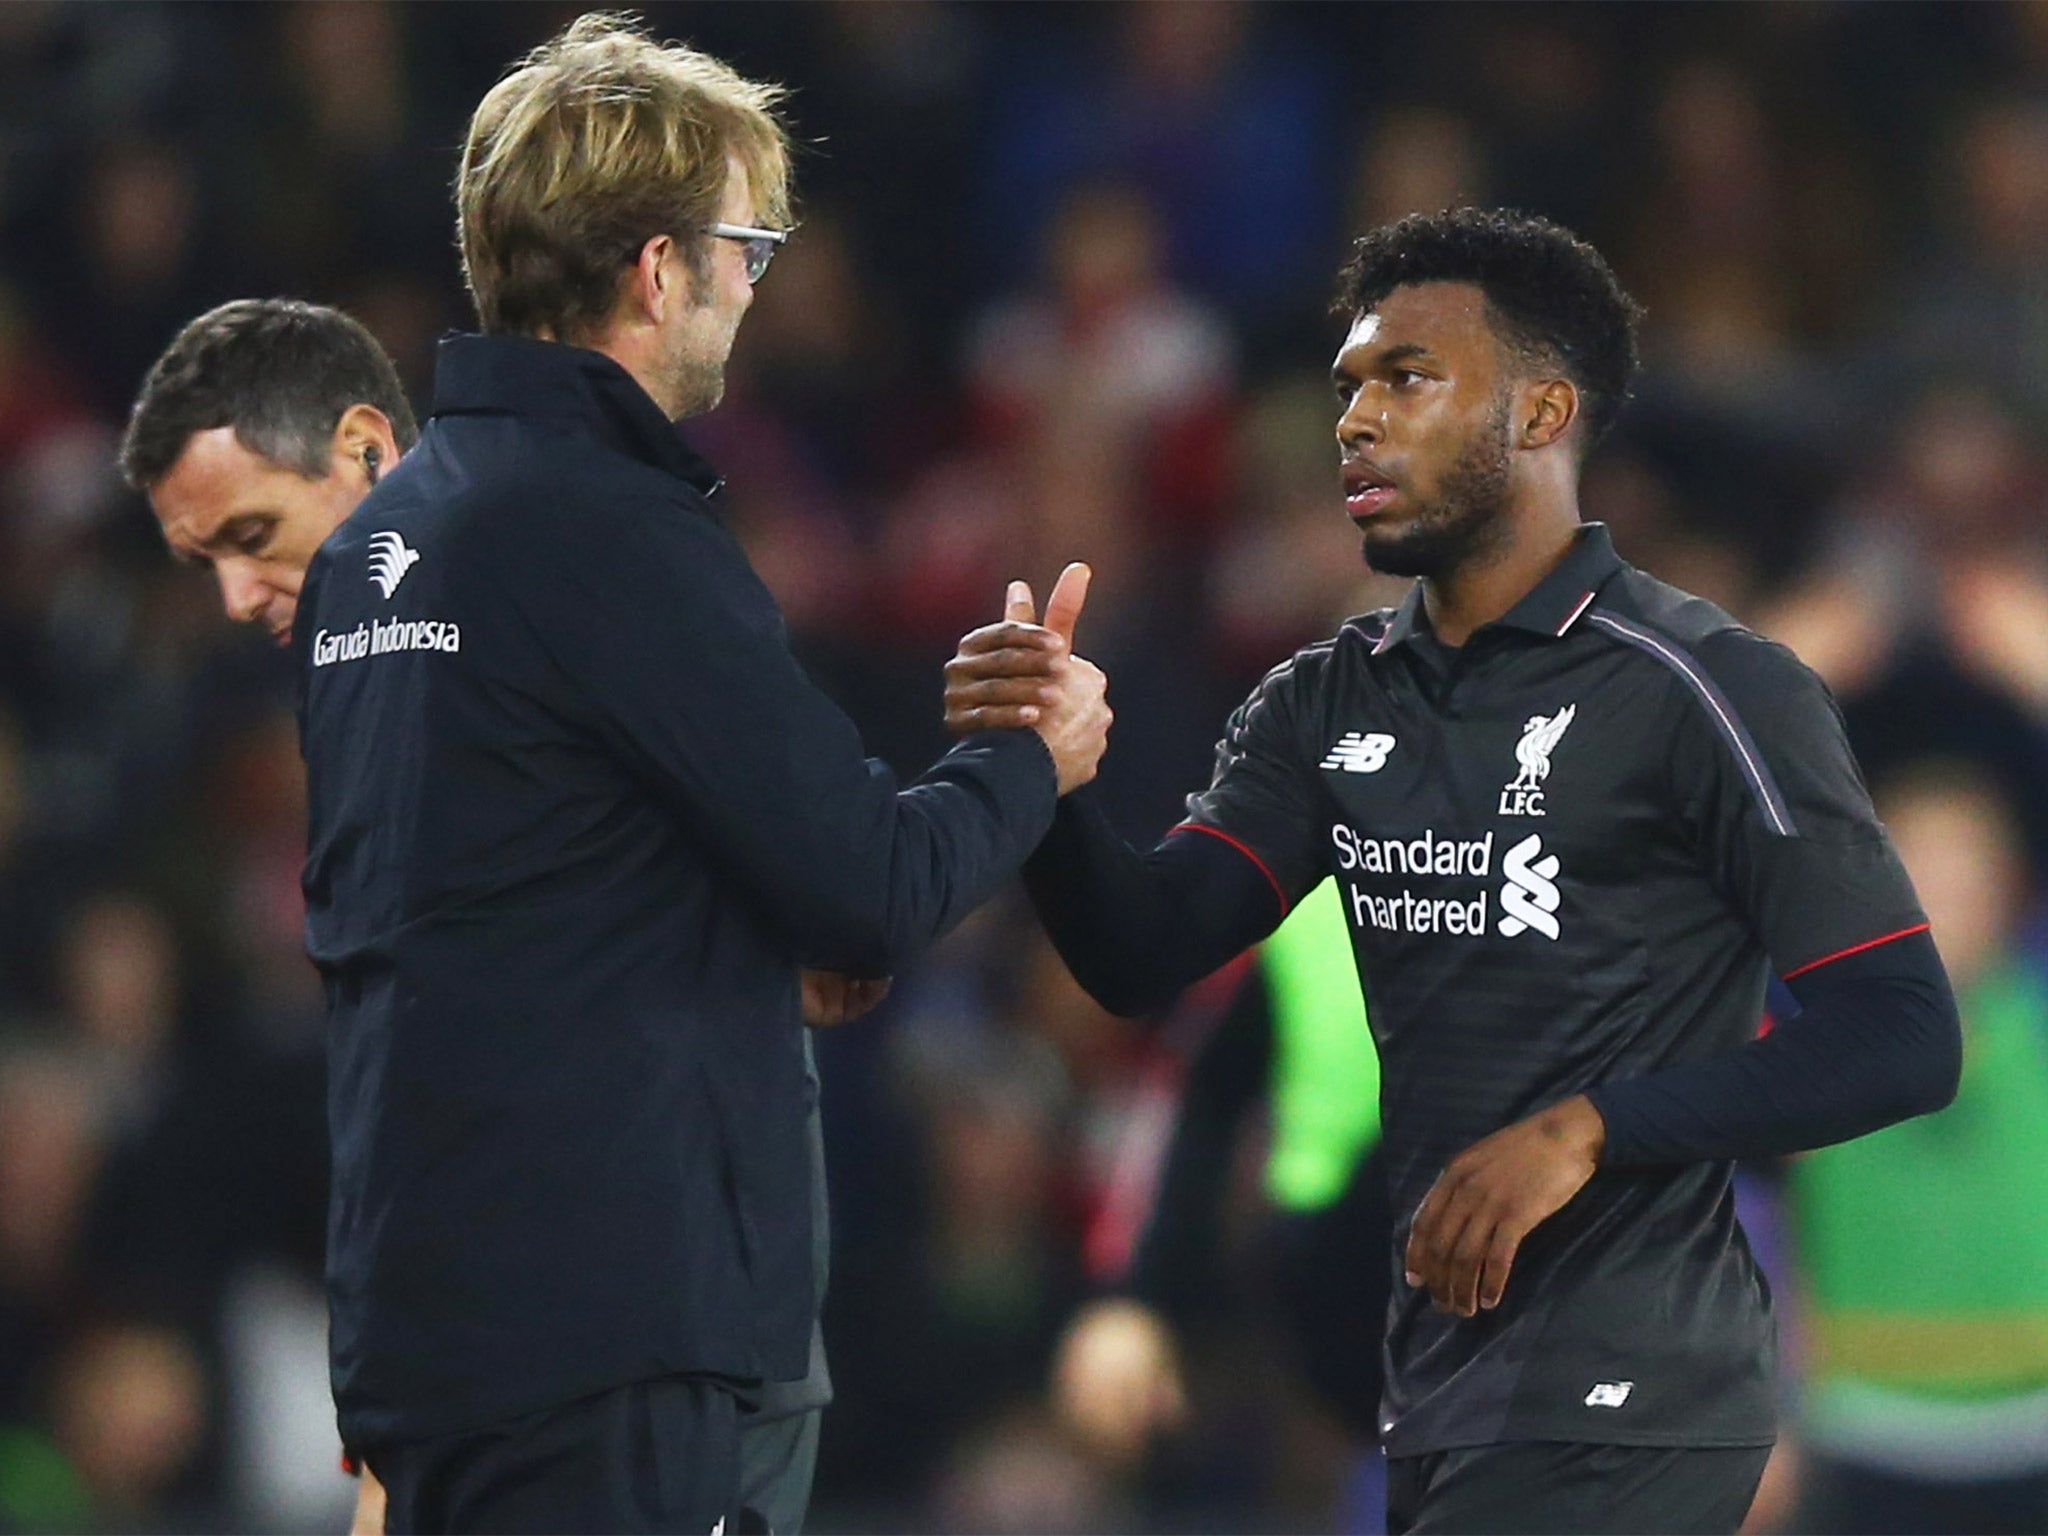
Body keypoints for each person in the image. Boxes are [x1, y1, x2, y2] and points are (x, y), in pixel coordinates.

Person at [943, 207, 1963, 1535]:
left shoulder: (1710, 691)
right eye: (1349, 387)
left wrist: (1593, 1127)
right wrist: (1049, 785)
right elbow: (1142, 955)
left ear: (1543, 415)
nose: (1357, 421)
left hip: (1633, 1385)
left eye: (1409, 379)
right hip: (1426, 1382)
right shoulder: (1322, 702)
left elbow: (1900, 1034)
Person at [292, 14, 1110, 1532]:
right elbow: (868, 888)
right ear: (657, 270)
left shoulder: (370, 553)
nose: (754, 284)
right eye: (747, 244)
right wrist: (1029, 759)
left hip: (421, 1325)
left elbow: (479, 899)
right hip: (616, 1337)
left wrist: (731, 950)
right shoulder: (610, 532)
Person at [118, 295, 933, 1534]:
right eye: (201, 563)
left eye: (249, 534)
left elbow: (827, 871)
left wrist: (1012, 772)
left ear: (363, 453)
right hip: (497, 1368)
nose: (234, 595)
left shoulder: (552, 593)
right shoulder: (380, 685)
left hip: (649, 1351)